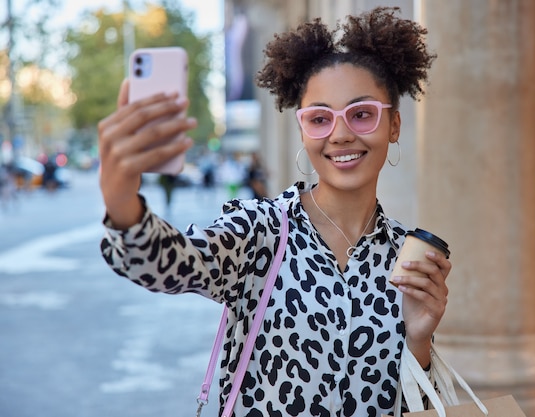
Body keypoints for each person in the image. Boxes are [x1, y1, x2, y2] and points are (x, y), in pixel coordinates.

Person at [98, 6, 447, 416]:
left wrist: (419, 341)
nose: (340, 134)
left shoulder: (405, 257)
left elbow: (416, 408)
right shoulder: (259, 231)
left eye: (363, 114)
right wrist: (121, 199)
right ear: (303, 130)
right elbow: (166, 263)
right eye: (319, 118)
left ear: (394, 125)